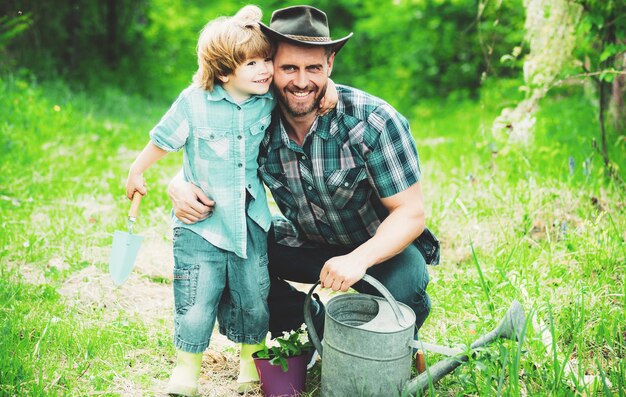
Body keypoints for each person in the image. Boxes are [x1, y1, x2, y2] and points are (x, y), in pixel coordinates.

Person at [168, 4, 440, 366]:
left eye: (313, 68)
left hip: (379, 248)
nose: (300, 81)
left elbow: (410, 213)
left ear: (329, 64)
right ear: (269, 67)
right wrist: (180, 184)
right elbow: (205, 152)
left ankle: (398, 338)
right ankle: (309, 325)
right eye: (289, 68)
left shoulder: (372, 120)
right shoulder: (255, 118)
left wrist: (358, 259)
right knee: (230, 257)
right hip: (305, 242)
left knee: (402, 285)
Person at [124, 5, 337, 396]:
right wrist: (137, 171)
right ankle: (187, 369)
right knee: (194, 297)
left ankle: (249, 363)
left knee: (253, 297)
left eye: (266, 61)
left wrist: (332, 87)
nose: (265, 70)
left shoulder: (268, 100)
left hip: (250, 221)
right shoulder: (194, 102)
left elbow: (307, 85)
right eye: (252, 63)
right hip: (200, 226)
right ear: (223, 71)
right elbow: (162, 139)